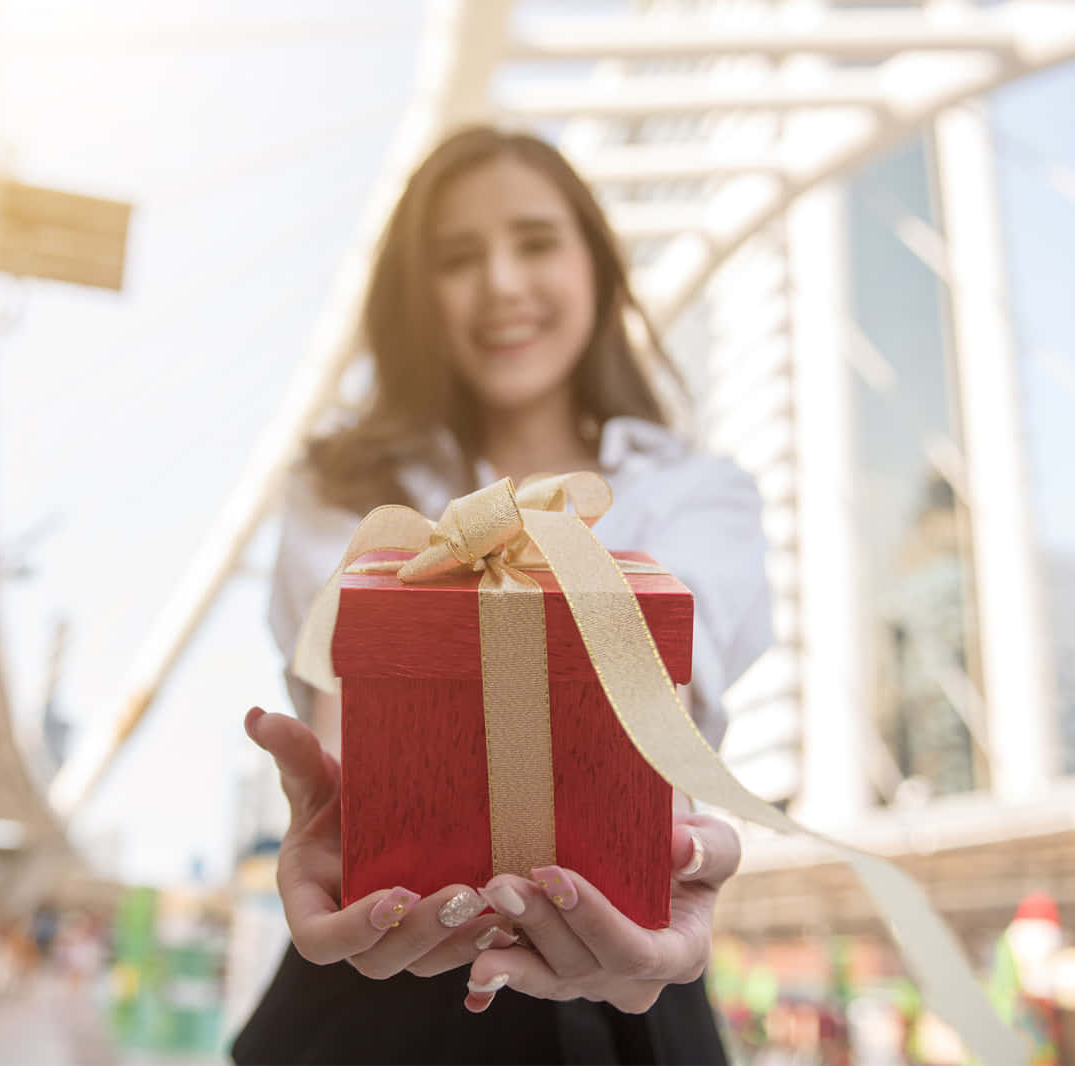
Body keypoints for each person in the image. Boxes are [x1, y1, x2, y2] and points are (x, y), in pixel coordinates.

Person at [233, 125, 774, 1064]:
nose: (502, 285)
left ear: (598, 267)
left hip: (626, 975)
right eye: (456, 258)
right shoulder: (345, 487)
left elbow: (662, 686)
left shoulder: (698, 493)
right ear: (416, 297)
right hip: (375, 961)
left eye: (534, 242)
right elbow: (353, 719)